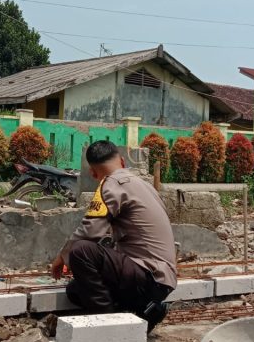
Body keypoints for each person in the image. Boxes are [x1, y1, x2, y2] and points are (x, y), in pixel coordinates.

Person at [51, 140, 177, 330]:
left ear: (93, 173)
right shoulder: (142, 184)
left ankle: (109, 325)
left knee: (80, 250)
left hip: (149, 277)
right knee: (76, 290)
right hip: (162, 279)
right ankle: (142, 313)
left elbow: (90, 231)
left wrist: (62, 257)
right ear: (122, 162)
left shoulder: (111, 185)